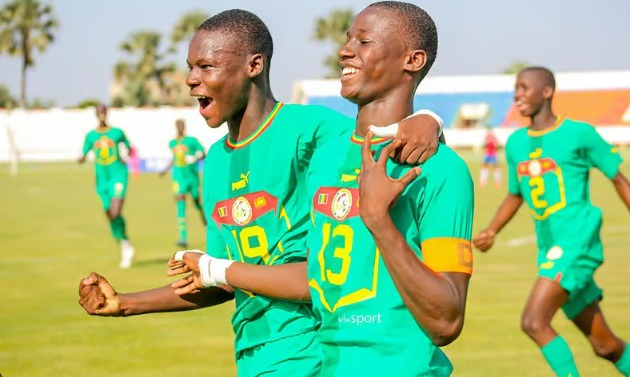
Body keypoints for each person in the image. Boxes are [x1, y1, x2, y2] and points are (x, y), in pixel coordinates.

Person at [78, 8, 444, 377]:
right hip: (253, 354)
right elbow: (220, 278)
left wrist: (429, 119)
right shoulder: (218, 160)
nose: (191, 80)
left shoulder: (309, 129)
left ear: (254, 65)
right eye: (191, 67)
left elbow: (377, 132)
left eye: (205, 67)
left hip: (311, 347)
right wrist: (124, 303)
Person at [169, 2, 473, 376]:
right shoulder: (326, 159)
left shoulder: (442, 170)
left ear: (413, 60)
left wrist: (378, 218)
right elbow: (309, 275)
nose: (345, 50)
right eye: (348, 40)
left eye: (364, 41)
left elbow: (446, 322)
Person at [473, 66, 630, 377]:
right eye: (515, 89)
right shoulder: (517, 143)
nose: (517, 95)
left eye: (523, 87)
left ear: (546, 91)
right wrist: (492, 230)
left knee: (534, 321)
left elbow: (619, 178)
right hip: (549, 250)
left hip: (576, 245)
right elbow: (515, 195)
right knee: (605, 345)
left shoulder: (578, 134)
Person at [78, 103, 135, 269]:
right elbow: (84, 153)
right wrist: (80, 159)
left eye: (104, 111)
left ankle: (125, 246)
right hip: (101, 180)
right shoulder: (91, 136)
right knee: (110, 214)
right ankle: (124, 241)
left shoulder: (117, 132)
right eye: (99, 112)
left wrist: (126, 154)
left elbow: (129, 147)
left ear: (107, 113)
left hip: (118, 175)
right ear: (96, 115)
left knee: (116, 210)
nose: (101, 114)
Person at [159, 118, 207, 248]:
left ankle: (203, 215)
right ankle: (183, 237)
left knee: (196, 201)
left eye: (182, 126)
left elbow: (203, 153)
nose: (180, 128)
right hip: (178, 178)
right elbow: (174, 159)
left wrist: (195, 158)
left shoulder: (192, 141)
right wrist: (164, 170)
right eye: (178, 126)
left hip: (192, 177)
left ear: (184, 127)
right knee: (180, 203)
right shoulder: (172, 143)